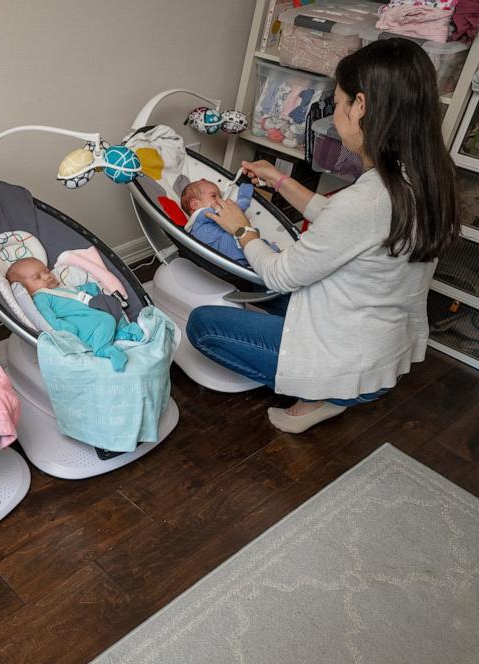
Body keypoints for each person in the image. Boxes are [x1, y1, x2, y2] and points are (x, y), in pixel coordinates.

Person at [185, 38, 458, 433]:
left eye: (339, 101)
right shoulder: (429, 177)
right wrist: (279, 180)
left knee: (203, 326)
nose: (335, 114)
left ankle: (322, 394)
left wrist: (241, 229)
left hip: (346, 361)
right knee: (269, 297)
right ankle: (334, 383)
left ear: (360, 106)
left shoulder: (367, 200)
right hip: (380, 342)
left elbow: (280, 274)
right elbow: (350, 225)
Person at [5, 257, 143, 371]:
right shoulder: (40, 297)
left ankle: (123, 333)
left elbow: (73, 294)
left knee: (113, 308)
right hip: (80, 325)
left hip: (90, 314)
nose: (47, 276)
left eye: (46, 271)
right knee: (105, 320)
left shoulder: (60, 288)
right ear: (25, 288)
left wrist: (87, 289)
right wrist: (64, 329)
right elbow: (47, 318)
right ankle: (103, 349)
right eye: (38, 277)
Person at [181, 179, 258, 264]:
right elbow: (233, 213)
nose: (220, 200)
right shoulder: (201, 215)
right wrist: (244, 198)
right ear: (195, 204)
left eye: (220, 197)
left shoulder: (205, 223)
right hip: (233, 254)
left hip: (233, 257)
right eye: (214, 196)